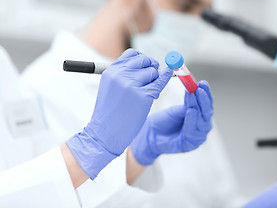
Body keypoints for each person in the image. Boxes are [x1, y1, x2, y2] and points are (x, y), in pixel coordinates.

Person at [21, 0, 277, 207]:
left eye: (202, 14)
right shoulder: (39, 91)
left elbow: (217, 200)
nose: (192, 25)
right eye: (185, 4)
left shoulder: (175, 86)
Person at [0, 47, 177, 206]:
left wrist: (138, 156)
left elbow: (57, 186)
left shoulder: (3, 63)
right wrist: (92, 145)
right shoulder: (42, 80)